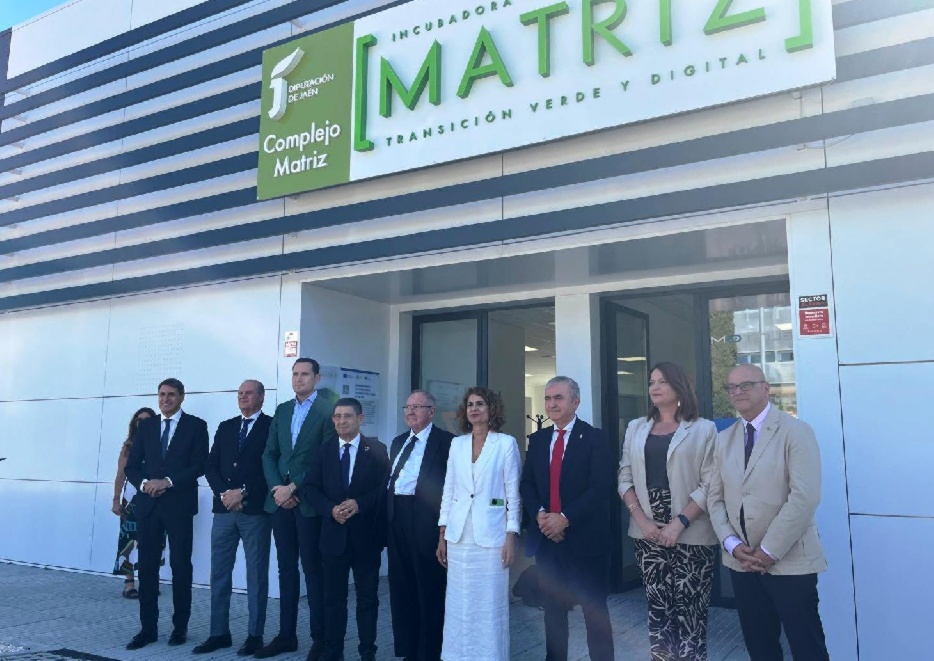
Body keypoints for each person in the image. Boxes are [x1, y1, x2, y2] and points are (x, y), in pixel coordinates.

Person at [708, 364, 829, 661]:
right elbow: (715, 497)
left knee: (807, 646)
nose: (737, 392)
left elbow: (804, 497)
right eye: (731, 387)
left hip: (790, 561)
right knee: (760, 647)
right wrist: (732, 544)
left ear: (766, 388)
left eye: (746, 385)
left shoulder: (796, 431)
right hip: (743, 562)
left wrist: (768, 550)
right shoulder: (724, 439)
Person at [618, 362, 719, 660]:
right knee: (658, 611)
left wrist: (679, 522)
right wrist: (642, 520)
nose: (655, 387)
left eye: (662, 381)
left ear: (679, 386)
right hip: (647, 530)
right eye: (651, 382)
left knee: (691, 613)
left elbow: (711, 482)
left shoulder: (703, 428)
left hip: (691, 528)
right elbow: (624, 477)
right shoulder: (636, 427)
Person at [519, 376, 615, 661]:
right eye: (548, 398)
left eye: (558, 398)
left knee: (594, 613)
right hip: (548, 542)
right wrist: (540, 515)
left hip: (586, 541)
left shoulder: (595, 438)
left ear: (575, 401)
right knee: (553, 611)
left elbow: (601, 486)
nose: (551, 404)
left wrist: (565, 518)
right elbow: (527, 483)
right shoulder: (538, 440)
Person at [259, 358, 338, 660]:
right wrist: (278, 489)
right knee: (286, 569)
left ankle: (320, 638)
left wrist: (293, 487)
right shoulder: (283, 410)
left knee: (312, 569)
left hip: (308, 502)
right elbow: (269, 454)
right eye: (295, 374)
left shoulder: (327, 410)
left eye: (305, 374)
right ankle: (286, 636)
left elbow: (325, 456)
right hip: (279, 502)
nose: (298, 379)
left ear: (317, 378)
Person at [124, 378, 209, 650]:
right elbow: (131, 466)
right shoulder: (147, 427)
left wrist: (168, 482)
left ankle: (180, 627)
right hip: (149, 506)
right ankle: (147, 629)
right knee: (147, 568)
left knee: (180, 566)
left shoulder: (196, 426)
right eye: (161, 394)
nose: (165, 399)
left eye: (171, 394)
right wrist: (144, 484)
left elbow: (199, 465)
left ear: (182, 397)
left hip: (179, 506)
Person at [436, 387, 520, 660]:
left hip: (491, 538)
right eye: (470, 404)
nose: (474, 408)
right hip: (459, 537)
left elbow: (512, 494)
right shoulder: (457, 444)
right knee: (459, 604)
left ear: (491, 408)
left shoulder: (505, 444)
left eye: (480, 403)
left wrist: (511, 535)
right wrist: (442, 533)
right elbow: (449, 490)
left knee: (488, 604)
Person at [304, 398, 389, 661]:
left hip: (366, 537)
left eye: (348, 416)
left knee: (367, 599)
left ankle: (367, 651)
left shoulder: (376, 449)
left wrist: (359, 504)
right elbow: (310, 489)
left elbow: (385, 488)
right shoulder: (323, 451)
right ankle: (334, 651)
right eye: (337, 417)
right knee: (333, 599)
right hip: (333, 537)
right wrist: (330, 509)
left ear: (360, 419)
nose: (342, 421)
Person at [193, 380, 273, 656]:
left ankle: (254, 635)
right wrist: (225, 493)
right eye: (240, 393)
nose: (243, 397)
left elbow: (271, 468)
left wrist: (244, 492)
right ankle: (219, 633)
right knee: (219, 573)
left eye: (249, 393)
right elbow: (210, 465)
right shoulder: (226, 426)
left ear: (261, 397)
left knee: (256, 575)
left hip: (254, 512)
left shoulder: (271, 427)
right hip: (224, 510)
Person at [386, 390, 453, 661]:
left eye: (417, 407)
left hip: (427, 521)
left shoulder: (446, 442)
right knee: (402, 587)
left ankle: (429, 652)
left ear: (431, 412)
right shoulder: (398, 442)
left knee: (429, 588)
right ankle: (409, 649)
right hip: (397, 519)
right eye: (407, 407)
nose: (410, 411)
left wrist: (444, 531)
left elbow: (452, 488)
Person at [112, 406, 156, 599]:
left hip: (154, 496)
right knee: (129, 540)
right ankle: (129, 584)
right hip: (131, 499)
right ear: (134, 423)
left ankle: (149, 582)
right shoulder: (129, 445)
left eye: (147, 420)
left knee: (153, 540)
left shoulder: (160, 443)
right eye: (139, 420)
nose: (142, 423)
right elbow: (120, 475)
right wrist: (116, 499)